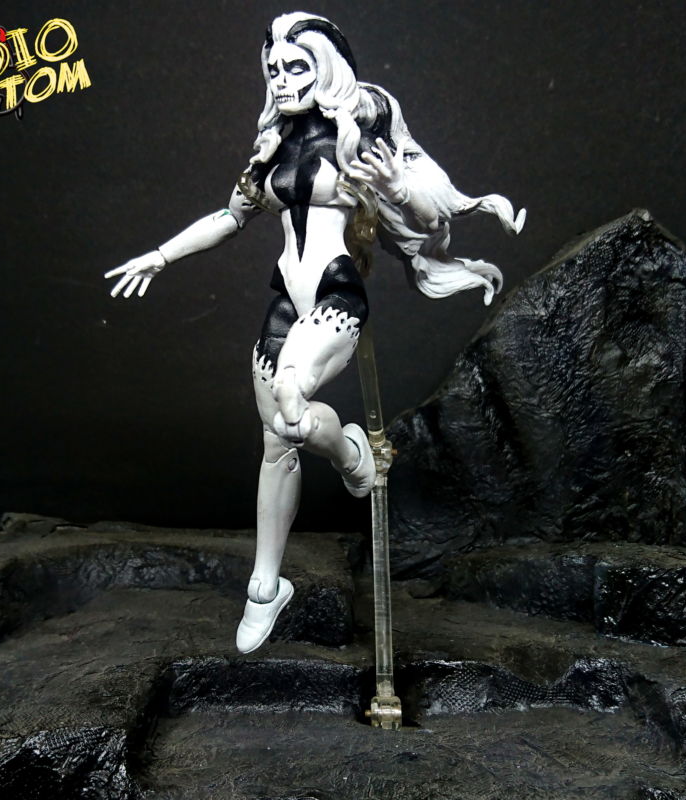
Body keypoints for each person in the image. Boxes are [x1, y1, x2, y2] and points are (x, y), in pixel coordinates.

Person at [105, 11, 525, 654]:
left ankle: (354, 457)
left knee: (294, 404)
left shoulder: (363, 129)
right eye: (273, 68)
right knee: (276, 440)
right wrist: (160, 256)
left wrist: (397, 189)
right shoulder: (272, 145)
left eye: (296, 66)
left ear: (326, 68)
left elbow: (427, 214)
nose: (281, 79)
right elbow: (229, 217)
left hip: (335, 293)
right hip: (286, 300)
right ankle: (265, 587)